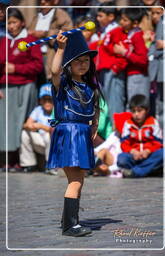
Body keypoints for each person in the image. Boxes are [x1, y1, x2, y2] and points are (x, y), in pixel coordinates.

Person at [47, 30, 101, 236]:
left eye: (86, 60)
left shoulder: (88, 86)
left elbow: (94, 109)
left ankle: (68, 220)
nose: (83, 64)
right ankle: (70, 226)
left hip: (81, 134)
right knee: (76, 181)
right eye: (77, 60)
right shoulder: (63, 85)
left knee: (79, 180)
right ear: (69, 64)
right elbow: (54, 71)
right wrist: (60, 49)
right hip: (69, 134)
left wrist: (94, 123)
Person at [0, 8, 43, 171]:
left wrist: (15, 68)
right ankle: (6, 161)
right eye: (8, 23)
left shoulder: (30, 40)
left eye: (14, 22)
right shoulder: (2, 41)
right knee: (6, 125)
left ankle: (21, 161)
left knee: (21, 124)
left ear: (22, 23)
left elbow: (38, 66)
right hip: (5, 88)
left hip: (25, 86)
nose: (11, 26)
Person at [148, 0, 165, 180]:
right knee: (163, 113)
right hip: (162, 72)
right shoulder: (163, 18)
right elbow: (156, 46)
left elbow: (162, 44)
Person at [117, 94, 165, 178]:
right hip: (134, 156)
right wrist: (132, 151)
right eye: (133, 111)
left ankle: (135, 172)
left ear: (147, 110)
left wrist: (148, 151)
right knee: (122, 158)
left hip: (149, 155)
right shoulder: (128, 124)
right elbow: (124, 143)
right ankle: (148, 170)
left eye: (139, 111)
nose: (136, 114)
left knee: (163, 154)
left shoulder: (153, 123)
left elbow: (158, 143)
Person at [28, 0, 73, 80]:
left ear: (55, 1)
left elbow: (67, 34)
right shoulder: (36, 16)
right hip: (35, 58)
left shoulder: (61, 15)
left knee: (50, 84)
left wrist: (45, 33)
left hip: (51, 57)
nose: (42, 2)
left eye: (46, 0)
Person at [19, 83, 57, 174]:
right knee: (24, 133)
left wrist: (40, 126)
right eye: (44, 99)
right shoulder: (38, 109)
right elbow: (26, 124)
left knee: (49, 135)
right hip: (40, 141)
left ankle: (50, 165)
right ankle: (29, 164)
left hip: (54, 145)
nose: (47, 102)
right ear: (40, 101)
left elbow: (55, 130)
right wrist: (30, 126)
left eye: (50, 99)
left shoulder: (57, 111)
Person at [113, 8, 150, 102]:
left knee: (137, 103)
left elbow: (143, 60)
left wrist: (124, 52)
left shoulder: (137, 36)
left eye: (125, 20)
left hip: (138, 76)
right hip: (132, 74)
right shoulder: (131, 34)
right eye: (121, 19)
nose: (121, 22)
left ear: (135, 23)